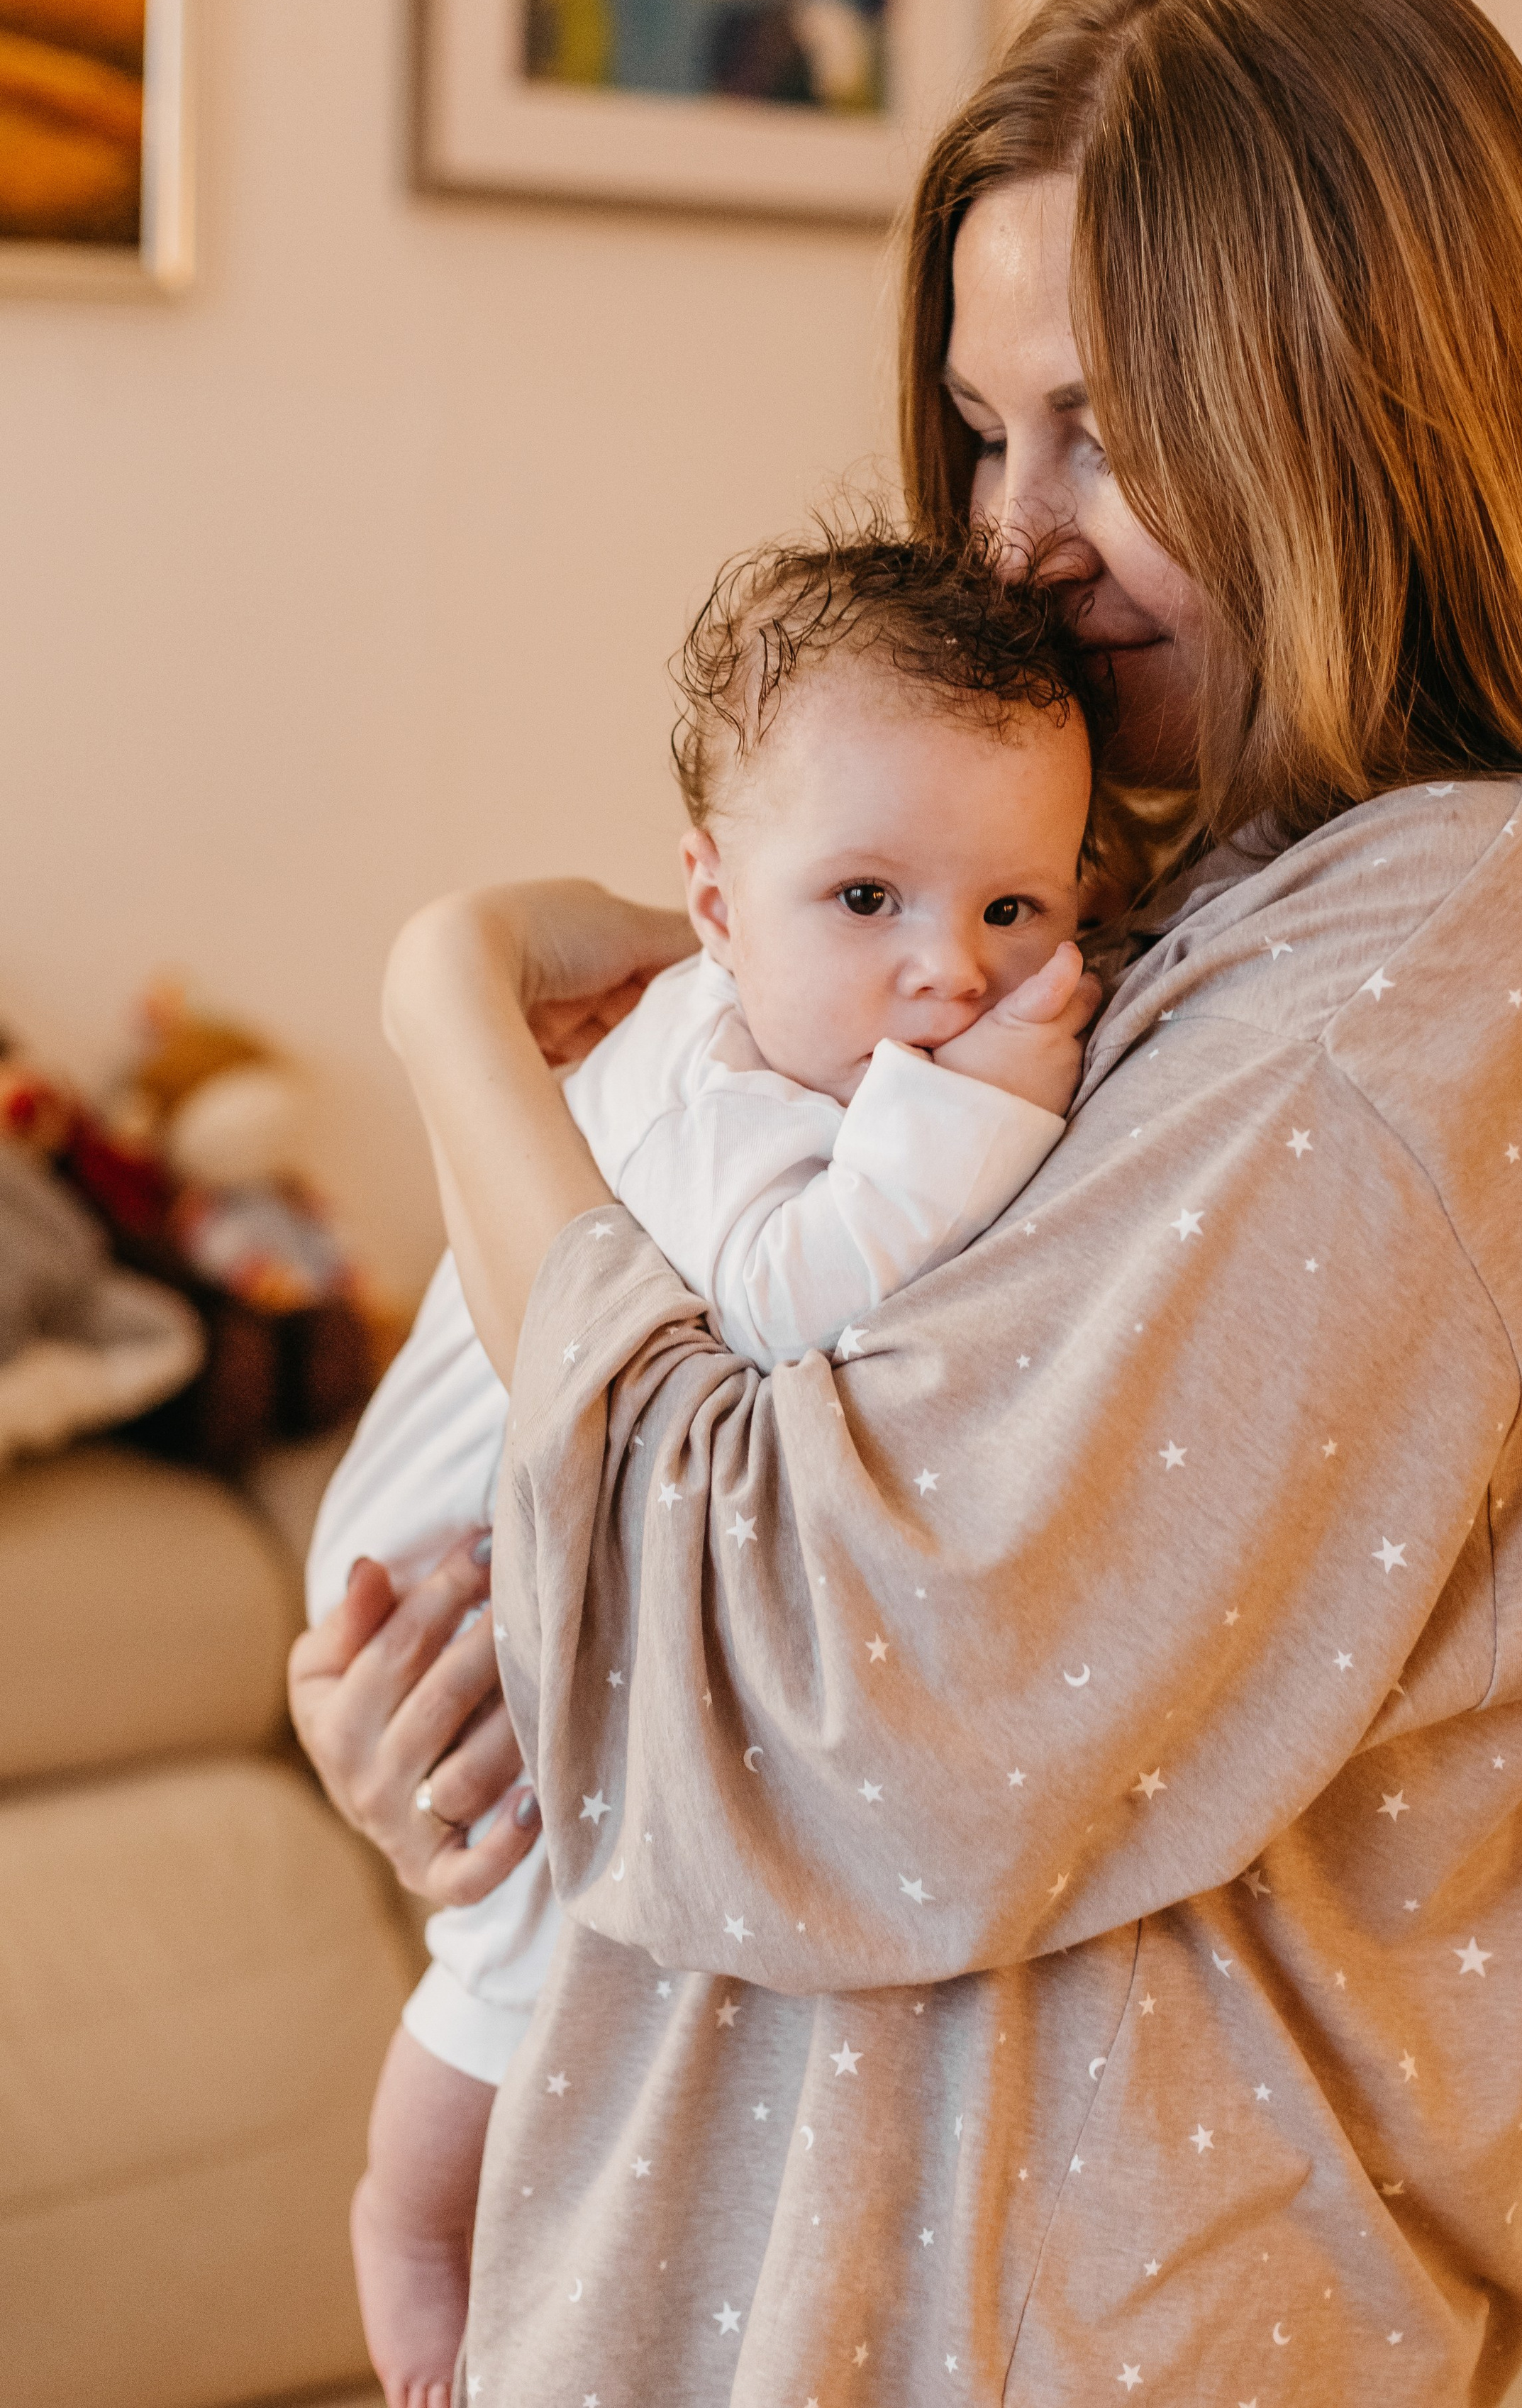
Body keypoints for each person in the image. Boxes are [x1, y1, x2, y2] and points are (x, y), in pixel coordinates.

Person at [292, 0, 1522, 2406]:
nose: (1016, 533)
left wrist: (455, 1014)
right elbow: (697, 1609)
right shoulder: (1144, 927)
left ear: (1373, 415)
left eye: (1104, 426)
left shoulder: (1447, 950)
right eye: (987, 434)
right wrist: (444, 1709)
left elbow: (814, 1688)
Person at [323, 531, 1106, 2404]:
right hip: (448, 1554)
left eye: (1017, 910)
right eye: (866, 898)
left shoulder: (774, 1026)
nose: (945, 973)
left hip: (498, 1524)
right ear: (712, 901)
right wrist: (991, 1108)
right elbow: (770, 1304)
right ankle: (415, 2257)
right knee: (525, 1949)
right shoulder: (730, 1102)